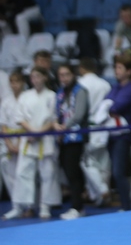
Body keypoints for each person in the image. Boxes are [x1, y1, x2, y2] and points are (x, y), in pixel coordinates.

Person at [3, 66, 61, 219]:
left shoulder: (52, 95)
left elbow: (53, 118)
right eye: (33, 77)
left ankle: (45, 206)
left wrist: (39, 131)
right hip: (28, 138)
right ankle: (19, 206)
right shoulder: (25, 96)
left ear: (45, 77)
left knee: (47, 174)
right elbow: (20, 117)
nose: (35, 80)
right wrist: (31, 131)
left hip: (45, 138)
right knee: (22, 173)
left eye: (38, 76)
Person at [54, 64, 90, 219]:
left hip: (76, 137)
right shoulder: (60, 92)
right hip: (63, 138)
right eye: (61, 75)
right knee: (69, 172)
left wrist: (64, 127)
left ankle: (77, 207)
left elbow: (79, 114)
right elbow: (57, 112)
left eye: (67, 74)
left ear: (73, 75)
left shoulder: (80, 91)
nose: (64, 78)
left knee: (73, 171)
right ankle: (77, 205)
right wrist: (56, 125)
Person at [104, 53, 131, 211]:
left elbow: (115, 106)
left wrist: (108, 107)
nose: (116, 71)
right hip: (113, 134)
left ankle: (127, 205)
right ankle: (125, 203)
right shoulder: (115, 87)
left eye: (119, 68)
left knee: (119, 171)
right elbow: (105, 103)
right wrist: (108, 107)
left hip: (125, 135)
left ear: (129, 71)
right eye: (115, 67)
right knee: (116, 171)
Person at [77, 57, 112, 206]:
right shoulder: (105, 84)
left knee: (87, 162)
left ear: (81, 69)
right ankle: (99, 197)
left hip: (89, 126)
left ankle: (102, 190)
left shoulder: (80, 83)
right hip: (104, 126)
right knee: (103, 162)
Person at [0, 69, 24, 201]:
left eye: (17, 82)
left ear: (22, 83)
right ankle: (15, 202)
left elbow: (26, 122)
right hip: (8, 138)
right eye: (12, 82)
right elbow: (3, 124)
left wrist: (19, 143)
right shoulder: (6, 102)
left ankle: (27, 204)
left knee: (23, 173)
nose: (14, 85)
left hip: (24, 138)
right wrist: (9, 143)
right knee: (9, 172)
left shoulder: (27, 98)